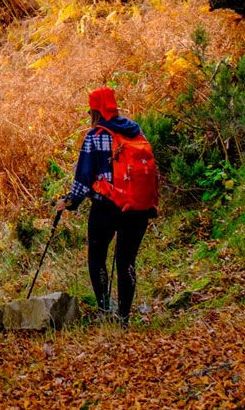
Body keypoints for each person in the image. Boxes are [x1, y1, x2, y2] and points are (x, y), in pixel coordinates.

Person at [55, 86, 156, 323]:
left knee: (97, 256)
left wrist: (70, 202)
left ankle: (104, 309)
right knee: (127, 261)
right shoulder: (135, 130)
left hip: (107, 207)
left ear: (94, 110)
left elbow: (84, 177)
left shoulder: (95, 136)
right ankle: (124, 317)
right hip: (136, 207)